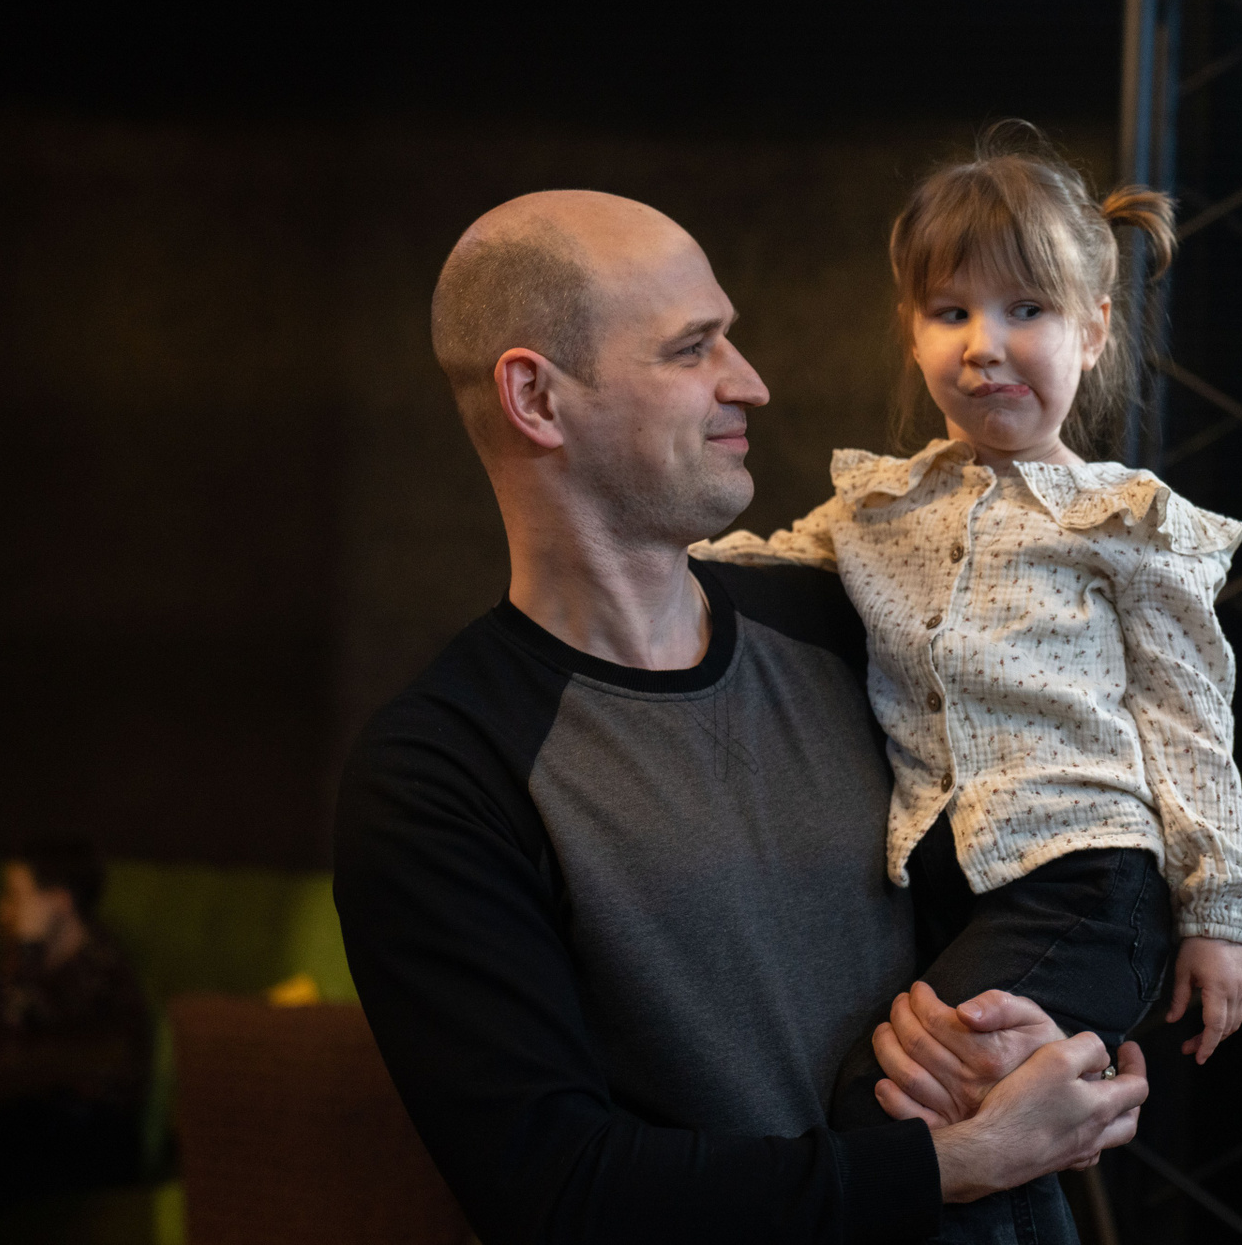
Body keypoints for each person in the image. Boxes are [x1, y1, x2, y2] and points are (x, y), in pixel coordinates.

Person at [333, 188, 1148, 1245]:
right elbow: (556, 1190)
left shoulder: (857, 622)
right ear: (536, 398)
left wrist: (1045, 1037)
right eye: (693, 349)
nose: (750, 381)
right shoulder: (441, 771)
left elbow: (1052, 873)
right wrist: (954, 1163)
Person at [697, 128, 1242, 1145]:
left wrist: (1217, 918)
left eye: (1026, 310)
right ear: (911, 331)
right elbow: (766, 563)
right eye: (950, 311)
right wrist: (652, 553)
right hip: (945, 891)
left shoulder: (1124, 520)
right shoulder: (880, 507)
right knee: (964, 1123)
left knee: (894, 1105)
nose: (983, 344)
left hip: (1087, 884)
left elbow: (1187, 719)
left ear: (1093, 328)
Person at [0, 833, 148, 1212]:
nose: (3, 911)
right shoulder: (33, 963)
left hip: (90, 1133)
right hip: (33, 1113)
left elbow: (47, 1051)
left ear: (59, 902)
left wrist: (27, 951)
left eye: (16, 897)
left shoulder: (101, 967)